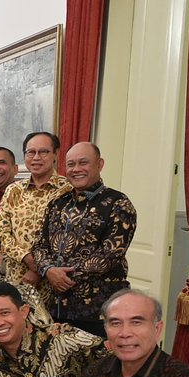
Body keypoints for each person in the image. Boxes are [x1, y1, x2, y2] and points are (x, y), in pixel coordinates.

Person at [32, 142, 137, 337]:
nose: (76, 169)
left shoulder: (118, 203)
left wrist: (63, 276)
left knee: (100, 365)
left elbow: (110, 253)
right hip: (55, 307)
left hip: (99, 309)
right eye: (71, 164)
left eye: (83, 163)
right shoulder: (57, 204)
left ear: (100, 164)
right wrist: (48, 270)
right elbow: (39, 245)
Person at [0, 132, 71, 289]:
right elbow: (1, 231)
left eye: (43, 152)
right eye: (31, 152)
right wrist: (26, 257)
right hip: (15, 275)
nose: (36, 158)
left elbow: (67, 236)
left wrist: (38, 270)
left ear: (56, 154)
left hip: (53, 278)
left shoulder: (68, 189)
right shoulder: (14, 190)